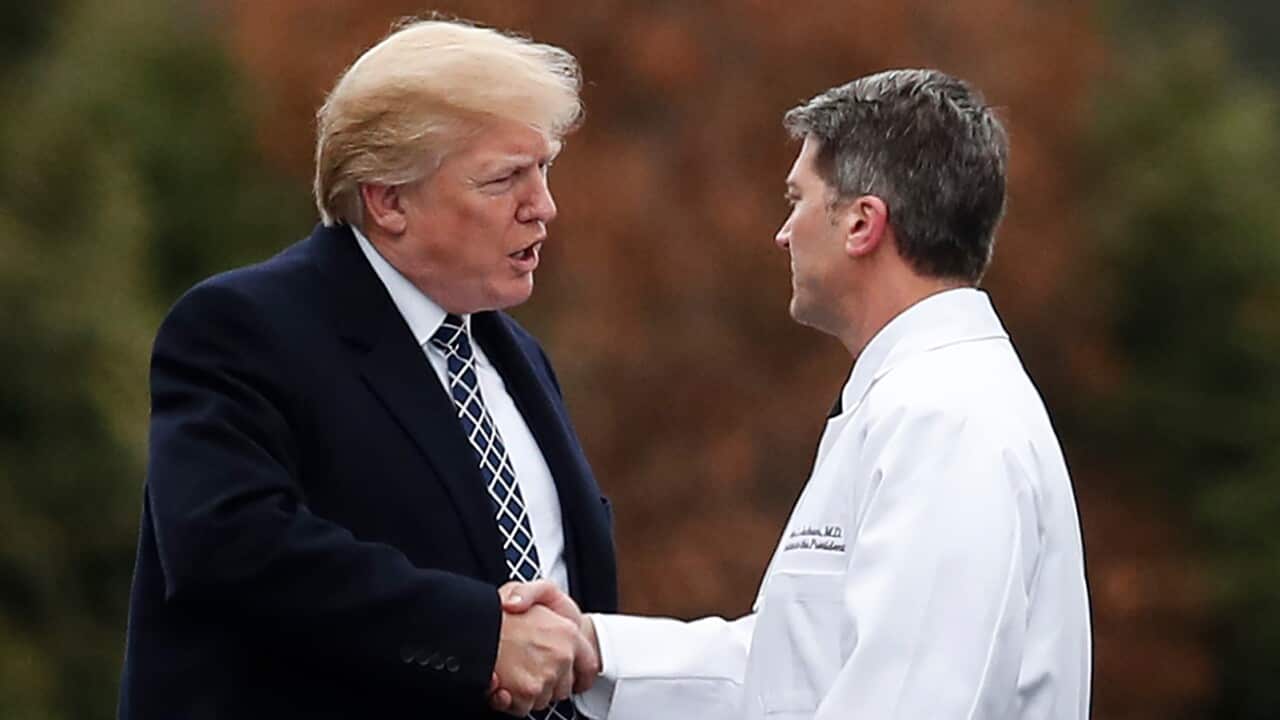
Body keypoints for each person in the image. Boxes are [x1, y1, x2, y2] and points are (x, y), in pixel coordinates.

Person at [501, 69, 1092, 720]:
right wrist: (596, 649)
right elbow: (795, 671)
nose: (783, 233)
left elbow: (912, 702)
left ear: (862, 225)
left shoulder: (947, 420)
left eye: (798, 199)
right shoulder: (917, 402)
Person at [118, 18, 616, 720]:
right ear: (388, 201)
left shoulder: (516, 355)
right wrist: (477, 636)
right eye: (505, 178)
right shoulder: (243, 328)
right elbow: (227, 546)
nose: (543, 208)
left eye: (544, 170)